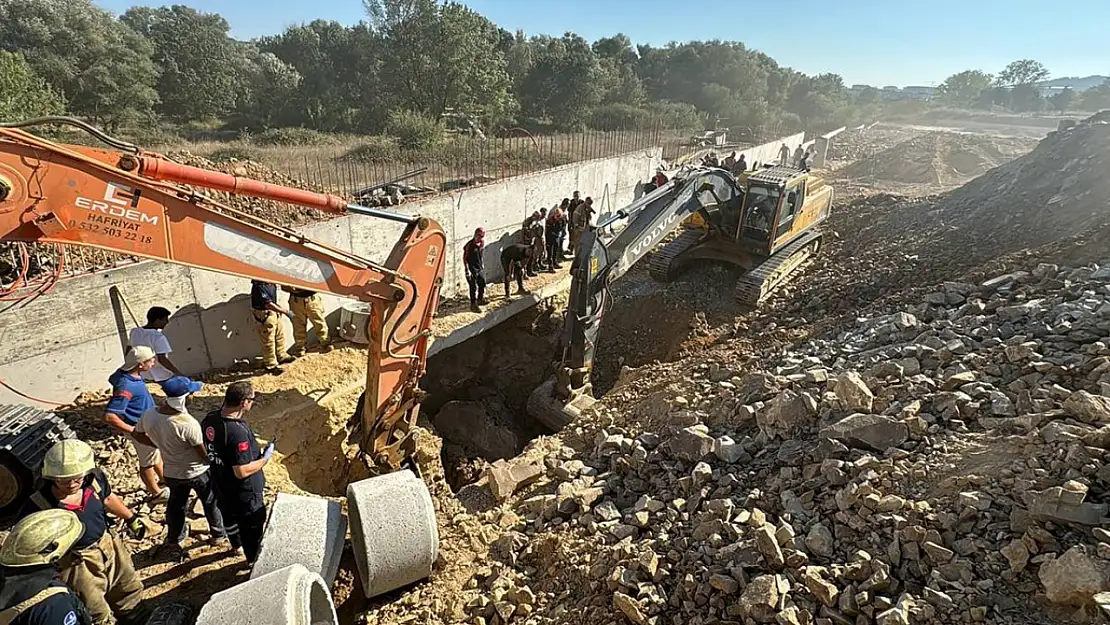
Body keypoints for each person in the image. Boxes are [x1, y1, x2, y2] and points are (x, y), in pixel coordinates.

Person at [19, 440, 148, 625]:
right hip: (76, 563)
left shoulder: (95, 481)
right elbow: (27, 547)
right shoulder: (37, 506)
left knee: (128, 589)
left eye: (77, 478)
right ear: (51, 476)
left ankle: (139, 619)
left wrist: (131, 518)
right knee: (94, 609)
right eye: (64, 480)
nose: (72, 484)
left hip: (109, 545)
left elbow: (108, 498)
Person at [133, 377, 227, 561]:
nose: (193, 396)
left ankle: (175, 538)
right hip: (197, 472)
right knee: (210, 501)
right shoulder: (187, 424)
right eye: (191, 393)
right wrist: (217, 463)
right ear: (184, 398)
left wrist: (159, 445)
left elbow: (137, 434)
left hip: (171, 473)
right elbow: (203, 454)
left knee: (176, 506)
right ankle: (218, 534)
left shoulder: (150, 414)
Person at [202, 381, 273, 567]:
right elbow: (241, 471)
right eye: (252, 399)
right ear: (243, 403)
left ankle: (236, 545)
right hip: (243, 491)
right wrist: (265, 458)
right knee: (252, 528)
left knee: (229, 517)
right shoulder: (236, 432)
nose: (252, 403)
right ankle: (253, 561)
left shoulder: (210, 419)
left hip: (220, 482)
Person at [0, 509, 92, 625]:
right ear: (54, 555)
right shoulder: (54, 604)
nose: (77, 557)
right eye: (70, 550)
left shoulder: (7, 574)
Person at [104, 346, 165, 501]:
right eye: (150, 360)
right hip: (140, 428)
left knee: (154, 454)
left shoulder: (124, 375)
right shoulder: (127, 386)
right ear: (140, 364)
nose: (154, 362)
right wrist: (134, 432)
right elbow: (110, 416)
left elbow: (113, 378)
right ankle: (156, 493)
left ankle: (164, 478)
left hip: (146, 425)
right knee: (147, 463)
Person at [126, 306, 183, 384]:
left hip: (142, 374)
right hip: (160, 375)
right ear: (157, 320)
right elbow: (162, 359)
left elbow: (128, 350)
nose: (167, 322)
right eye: (165, 319)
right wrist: (178, 373)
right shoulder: (158, 337)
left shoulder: (135, 332)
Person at [250, 281, 295, 375]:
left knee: (279, 335)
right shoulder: (259, 286)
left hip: (273, 312)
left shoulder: (271, 284)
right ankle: (271, 365)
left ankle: (281, 355)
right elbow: (268, 304)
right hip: (264, 314)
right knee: (268, 341)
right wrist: (285, 311)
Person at [284, 288, 331, 357]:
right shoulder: (291, 276)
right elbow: (284, 286)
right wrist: (293, 289)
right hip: (296, 301)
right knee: (298, 326)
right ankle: (300, 348)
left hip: (312, 299)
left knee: (319, 323)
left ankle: (325, 343)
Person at [463, 228, 486, 313]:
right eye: (480, 235)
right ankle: (473, 304)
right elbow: (464, 257)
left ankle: (480, 299)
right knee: (473, 287)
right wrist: (466, 269)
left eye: (483, 236)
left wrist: (482, 264)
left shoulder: (481, 243)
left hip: (479, 267)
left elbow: (481, 255)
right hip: (472, 268)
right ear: (476, 234)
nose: (481, 238)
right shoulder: (469, 245)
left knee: (482, 283)